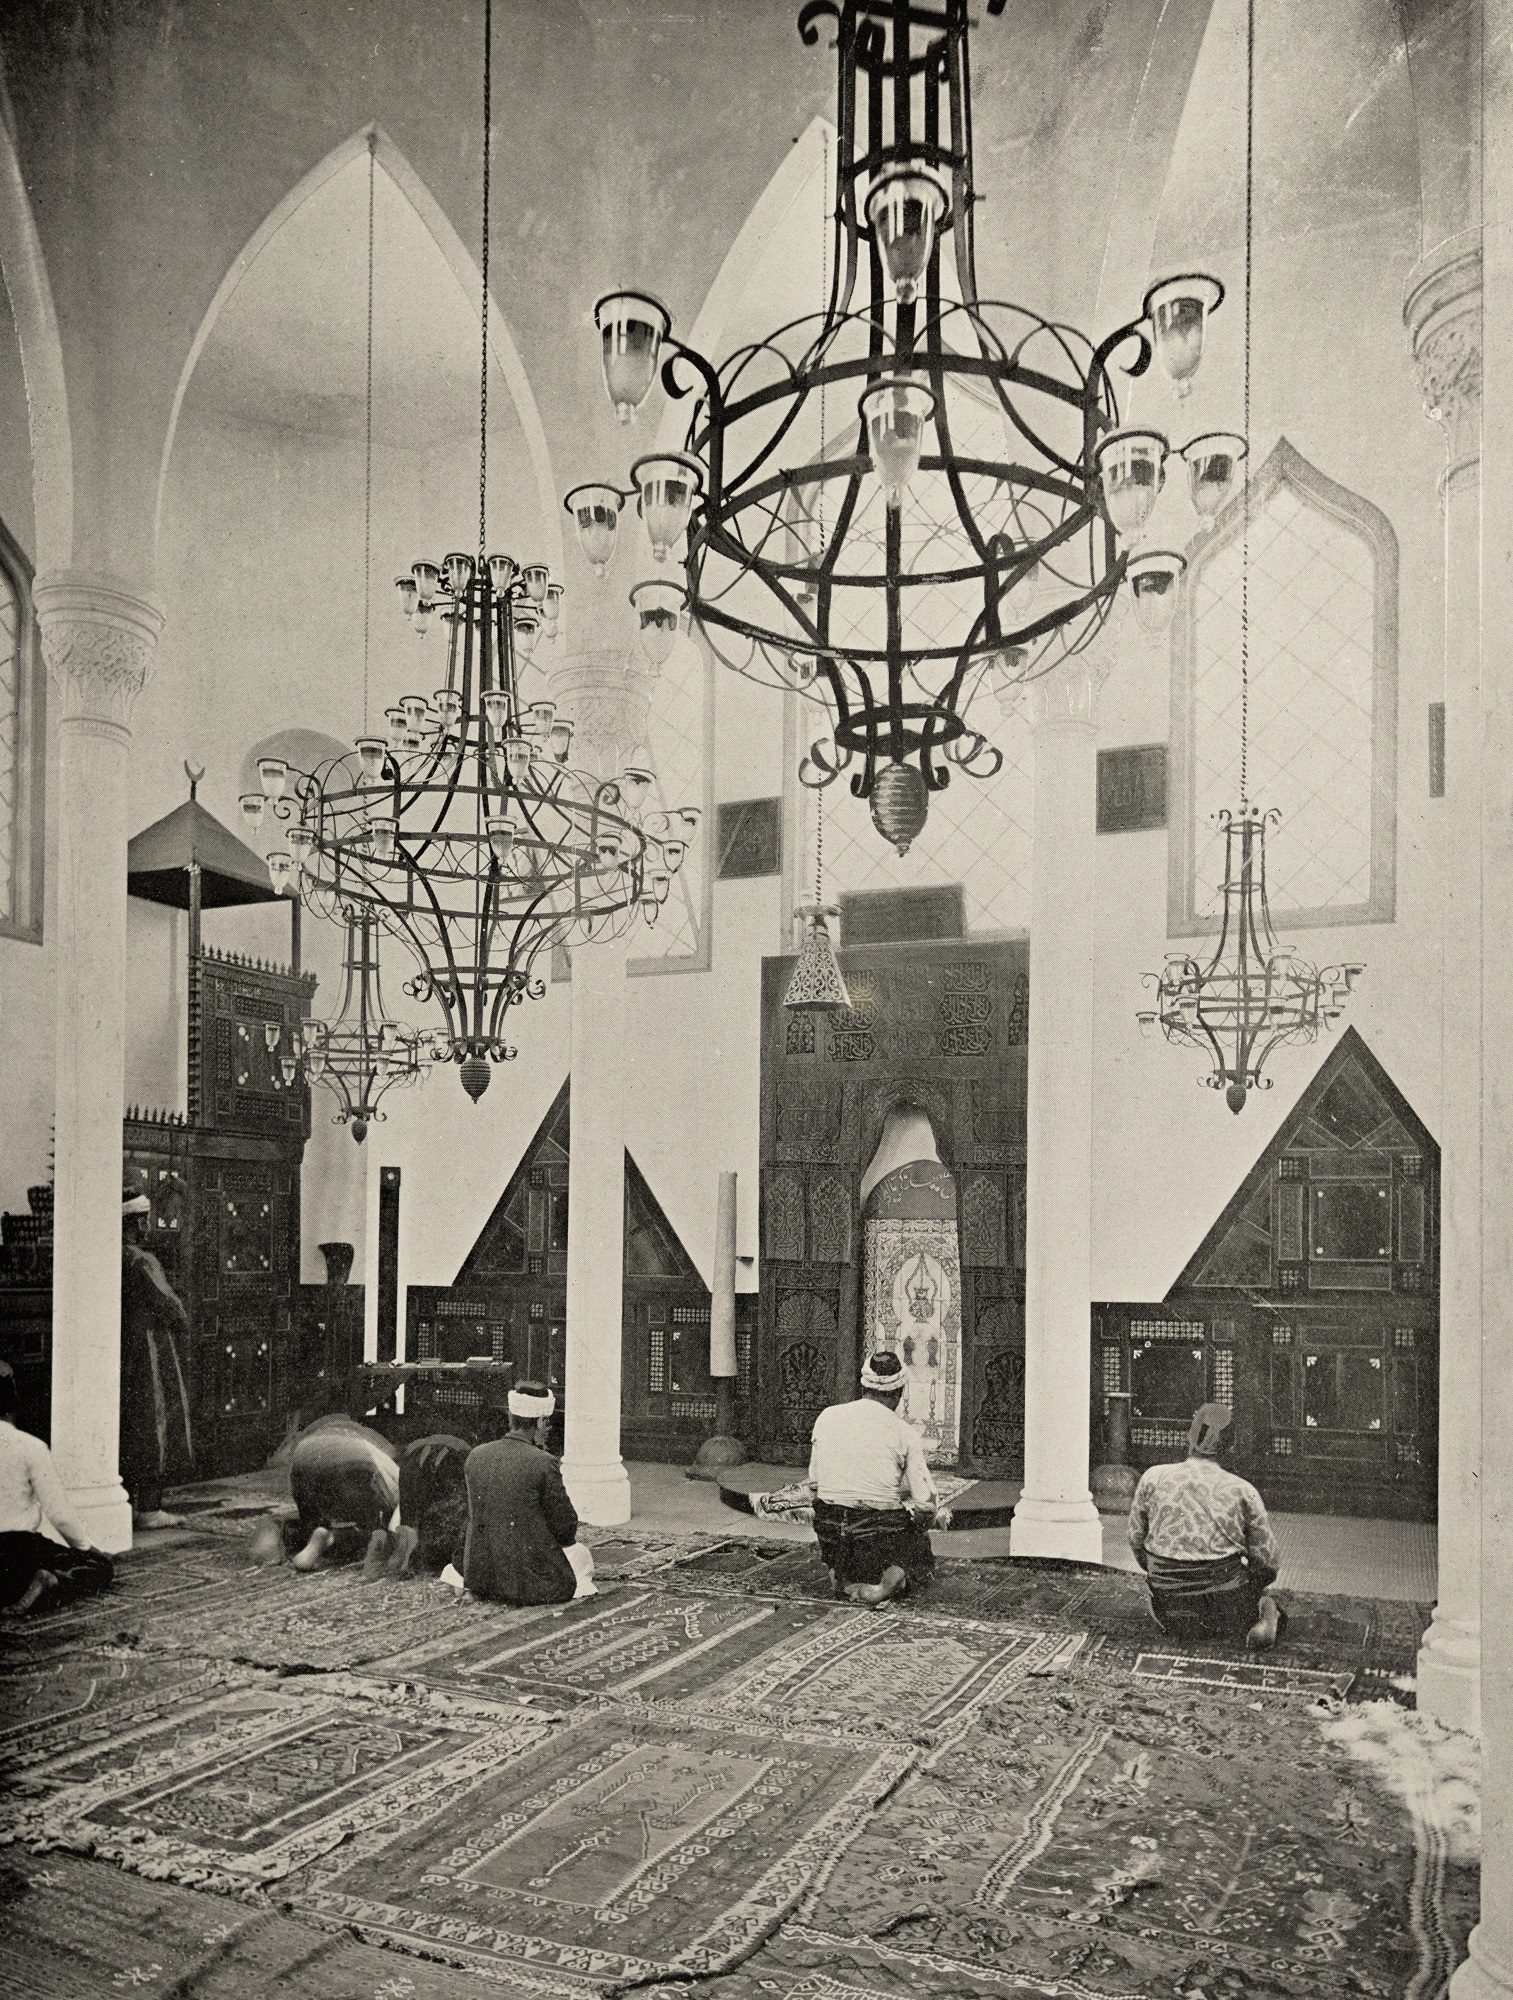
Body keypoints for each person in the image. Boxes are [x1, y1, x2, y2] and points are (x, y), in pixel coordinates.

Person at [1127, 1401, 1284, 1649]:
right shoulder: (1243, 1490)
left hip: (1168, 1604)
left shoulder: (1152, 1477)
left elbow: (1136, 1539)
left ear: (1189, 1436)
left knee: (1159, 1599)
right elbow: (1267, 1562)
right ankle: (1263, 1618)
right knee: (1266, 1602)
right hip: (1226, 1607)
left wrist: (1166, 1571)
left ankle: (1176, 1616)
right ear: (1230, 1445)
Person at [807, 1350, 950, 1607]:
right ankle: (886, 1584)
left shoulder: (826, 1417)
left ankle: (842, 1574)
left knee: (839, 1524)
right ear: (899, 1392)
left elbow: (815, 1483)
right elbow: (926, 1503)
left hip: (831, 1532)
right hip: (878, 1536)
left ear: (863, 1385)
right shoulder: (903, 1432)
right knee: (920, 1546)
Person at [462, 1384, 595, 1606]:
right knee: (581, 1555)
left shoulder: (476, 1455)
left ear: (511, 1418)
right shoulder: (543, 1462)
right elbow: (565, 1529)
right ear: (540, 1422)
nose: (548, 1430)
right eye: (547, 1423)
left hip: (480, 1577)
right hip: (526, 1581)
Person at [0, 1361, 114, 1613]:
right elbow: (58, 1513)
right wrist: (87, 1548)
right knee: (99, 1567)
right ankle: (50, 1580)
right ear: (13, 1404)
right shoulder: (30, 1446)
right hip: (18, 1550)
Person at [120, 1186, 194, 1530]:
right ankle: (149, 1508)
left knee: (127, 1424)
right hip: (148, 1347)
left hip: (119, 1349)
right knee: (154, 1422)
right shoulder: (141, 1260)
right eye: (144, 1219)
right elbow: (171, 1308)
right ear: (138, 1221)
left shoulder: (111, 1255)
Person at [248, 1413, 399, 1571]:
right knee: (375, 1534)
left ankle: (280, 1534)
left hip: (303, 1453)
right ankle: (330, 1538)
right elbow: (397, 1523)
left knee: (311, 1523)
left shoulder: (381, 1455)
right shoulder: (396, 1476)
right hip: (353, 1459)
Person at [362, 1432, 472, 1578]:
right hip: (451, 1456)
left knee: (408, 1526)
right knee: (459, 1516)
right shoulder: (471, 1452)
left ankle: (397, 1553)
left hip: (413, 1457)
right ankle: (412, 1560)